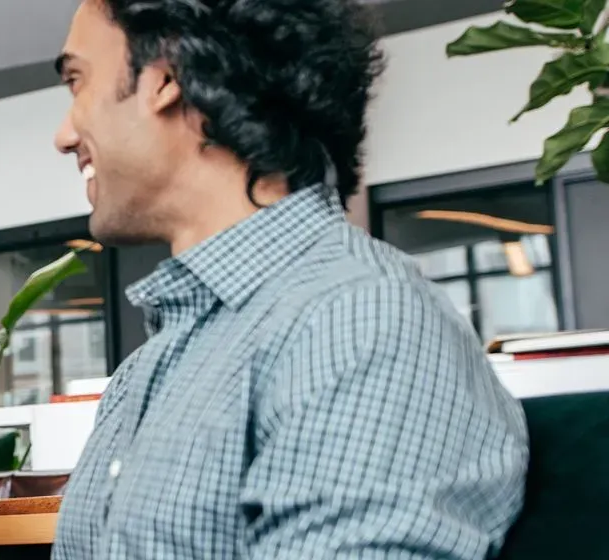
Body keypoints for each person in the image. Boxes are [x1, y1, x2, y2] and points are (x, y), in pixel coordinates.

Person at [51, 1, 529, 558]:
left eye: (77, 81)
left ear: (168, 77)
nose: (64, 136)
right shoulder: (149, 369)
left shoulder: (360, 319)